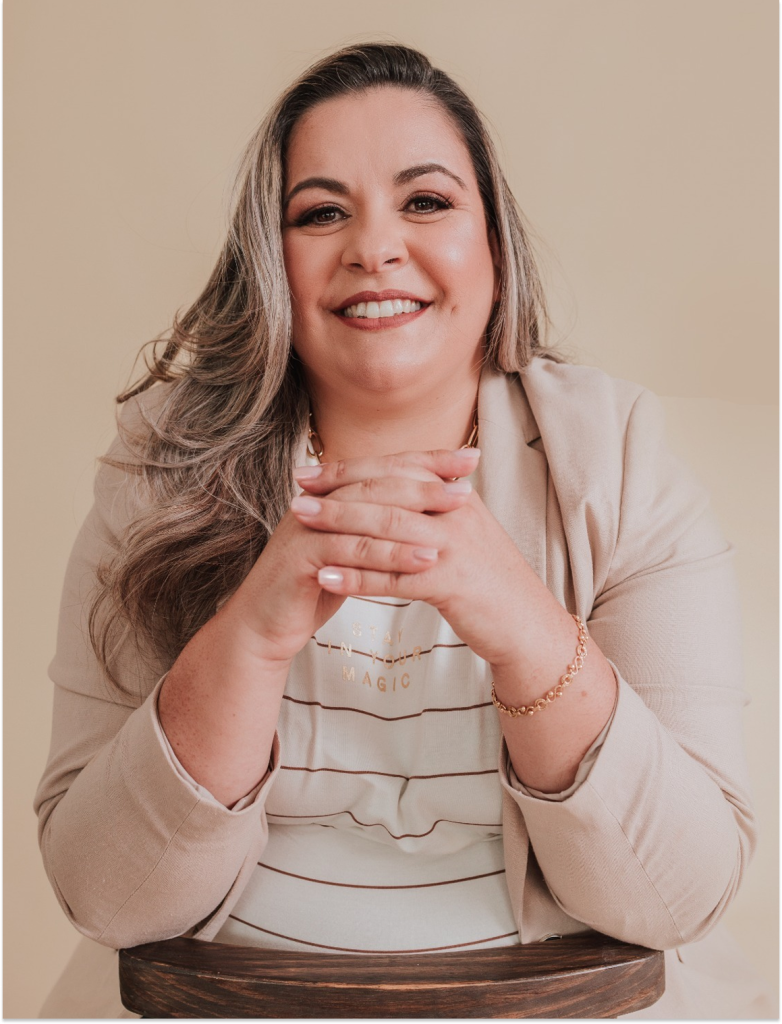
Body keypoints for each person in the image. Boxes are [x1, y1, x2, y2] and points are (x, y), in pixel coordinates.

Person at [34, 43, 772, 1020]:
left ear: (494, 247)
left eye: (425, 201)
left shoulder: (618, 459)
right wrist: (250, 635)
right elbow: (104, 895)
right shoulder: (161, 470)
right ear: (270, 261)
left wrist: (522, 626)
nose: (374, 247)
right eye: (320, 212)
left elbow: (679, 896)